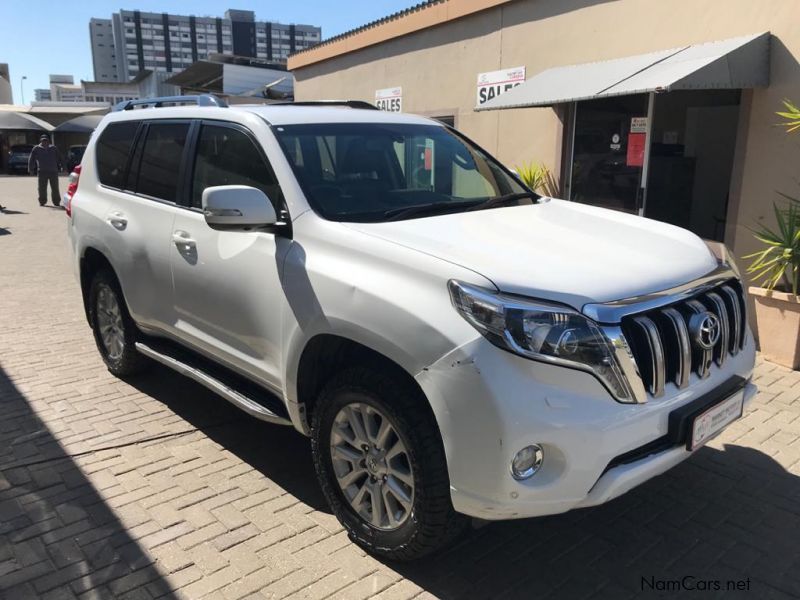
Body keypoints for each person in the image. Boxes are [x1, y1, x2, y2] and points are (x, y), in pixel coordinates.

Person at [28, 135, 63, 207]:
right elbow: (31, 159)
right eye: (43, 140)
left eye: (46, 140)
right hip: (42, 171)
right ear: (40, 141)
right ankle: (42, 201)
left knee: (55, 187)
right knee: (42, 188)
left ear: (48, 141)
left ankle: (56, 202)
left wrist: (63, 167)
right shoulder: (36, 148)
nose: (45, 142)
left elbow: (60, 157)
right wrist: (31, 169)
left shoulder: (53, 148)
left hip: (53, 171)